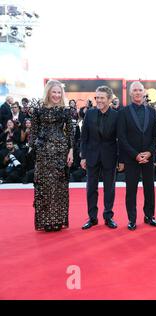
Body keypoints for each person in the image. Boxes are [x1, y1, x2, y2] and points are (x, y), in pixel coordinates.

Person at [30, 80, 75, 232]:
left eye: (59, 93)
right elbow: (33, 132)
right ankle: (45, 221)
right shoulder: (38, 110)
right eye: (53, 92)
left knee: (59, 186)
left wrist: (71, 151)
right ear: (48, 92)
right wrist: (35, 147)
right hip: (43, 153)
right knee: (44, 186)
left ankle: (58, 220)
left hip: (61, 152)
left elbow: (70, 133)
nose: (56, 95)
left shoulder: (66, 111)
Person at [118, 81, 156, 231]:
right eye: (134, 90)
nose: (137, 92)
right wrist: (135, 155)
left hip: (148, 157)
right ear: (130, 93)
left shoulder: (152, 111)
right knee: (131, 190)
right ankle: (132, 219)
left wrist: (149, 152)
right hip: (131, 158)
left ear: (144, 93)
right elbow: (121, 137)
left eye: (139, 90)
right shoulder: (123, 112)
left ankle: (149, 216)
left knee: (150, 188)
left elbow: (155, 135)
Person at [80, 86, 121, 230]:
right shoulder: (89, 114)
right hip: (91, 156)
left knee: (109, 188)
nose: (99, 100)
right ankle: (92, 218)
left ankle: (108, 217)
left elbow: (120, 139)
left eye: (102, 98)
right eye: (97, 97)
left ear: (109, 100)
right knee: (91, 188)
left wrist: (120, 159)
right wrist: (83, 156)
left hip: (110, 156)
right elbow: (84, 137)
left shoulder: (117, 116)